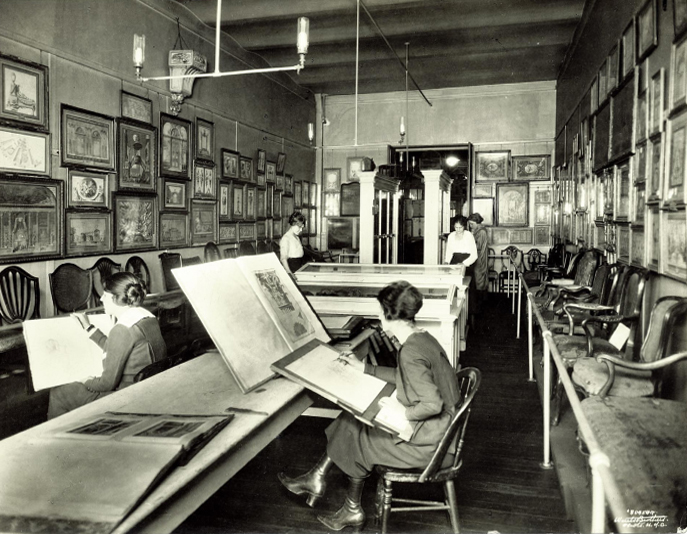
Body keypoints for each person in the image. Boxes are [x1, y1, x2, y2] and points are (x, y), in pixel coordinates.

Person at [278, 281, 461, 531]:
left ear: (389, 315)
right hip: (441, 432)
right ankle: (317, 478)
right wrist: (364, 368)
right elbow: (407, 376)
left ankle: (349, 507)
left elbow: (432, 402)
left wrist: (403, 412)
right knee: (351, 418)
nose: (377, 316)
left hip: (434, 445)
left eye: (379, 311)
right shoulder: (422, 338)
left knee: (359, 432)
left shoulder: (410, 351)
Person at [48, 272, 167, 419]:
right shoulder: (147, 318)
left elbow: (106, 383)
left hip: (125, 398)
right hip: (145, 390)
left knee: (59, 392)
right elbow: (116, 347)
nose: (101, 299)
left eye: (105, 295)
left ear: (117, 299)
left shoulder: (122, 329)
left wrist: (85, 380)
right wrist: (89, 327)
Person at [468, 212, 489, 317]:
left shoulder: (481, 232)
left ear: (477, 223)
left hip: (479, 260)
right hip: (478, 259)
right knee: (478, 281)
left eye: (471, 224)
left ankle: (480, 309)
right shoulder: (478, 230)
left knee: (479, 281)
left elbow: (477, 247)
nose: (470, 226)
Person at [280, 211, 306, 276]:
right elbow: (283, 259)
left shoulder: (296, 237)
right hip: (292, 269)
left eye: (302, 228)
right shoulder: (286, 238)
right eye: (299, 227)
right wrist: (290, 273)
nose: (301, 230)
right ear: (293, 224)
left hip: (299, 266)